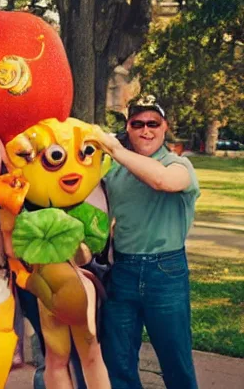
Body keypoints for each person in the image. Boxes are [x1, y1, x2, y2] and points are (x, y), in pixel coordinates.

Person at [94, 95, 201, 389]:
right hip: (123, 271)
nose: (146, 130)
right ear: (128, 128)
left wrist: (115, 149)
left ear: (164, 127)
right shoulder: (114, 173)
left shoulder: (179, 165)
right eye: (137, 123)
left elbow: (163, 181)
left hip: (165, 272)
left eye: (153, 123)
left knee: (176, 362)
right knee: (117, 362)